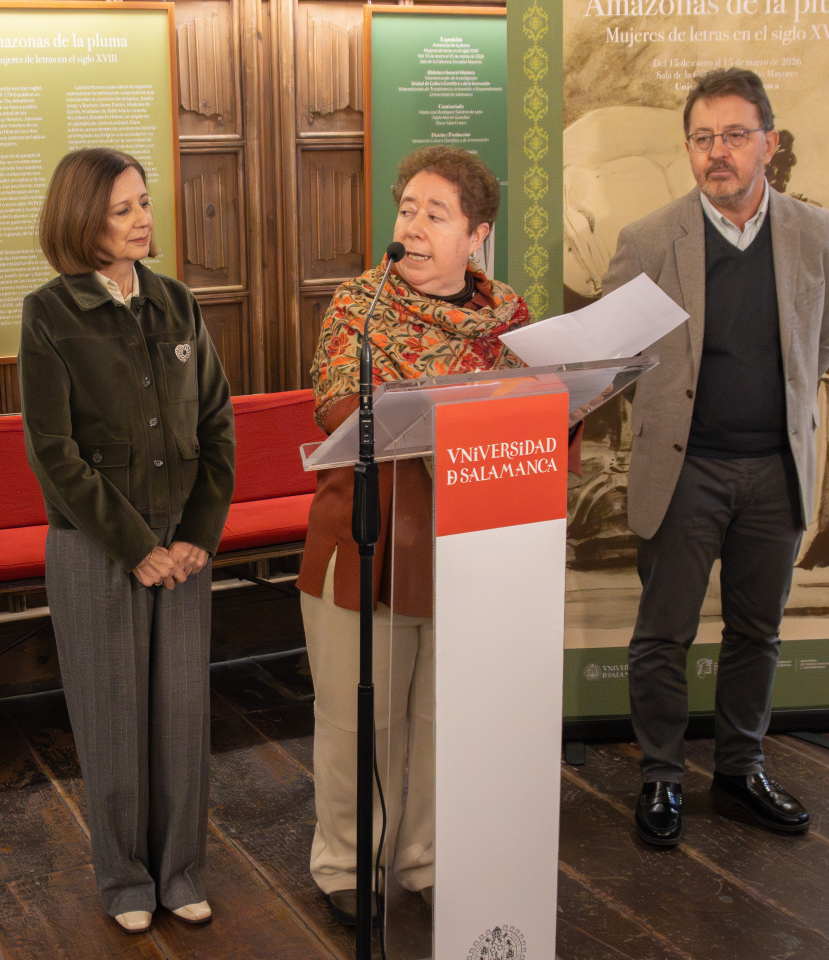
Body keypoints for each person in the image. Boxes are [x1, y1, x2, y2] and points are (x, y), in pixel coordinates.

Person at [600, 68, 829, 846]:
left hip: (775, 470)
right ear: (689, 148)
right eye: (703, 137)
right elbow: (614, 353)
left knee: (756, 632)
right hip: (685, 471)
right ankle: (661, 777)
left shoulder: (816, 233)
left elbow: (824, 340)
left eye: (735, 135)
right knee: (662, 634)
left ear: (768, 144)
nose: (719, 151)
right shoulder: (649, 240)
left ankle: (741, 770)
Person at [298, 146, 530, 925]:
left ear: (478, 234)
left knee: (442, 719)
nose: (416, 227)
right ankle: (346, 864)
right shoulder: (359, 305)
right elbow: (336, 406)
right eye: (408, 211)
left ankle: (426, 859)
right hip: (371, 539)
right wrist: (453, 407)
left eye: (438, 214)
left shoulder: (510, 319)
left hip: (472, 544)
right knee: (358, 721)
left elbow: (537, 417)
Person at [18, 148, 236, 933]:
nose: (143, 219)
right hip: (98, 547)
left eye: (144, 202)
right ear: (84, 219)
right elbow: (54, 453)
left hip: (184, 549)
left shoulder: (177, 302)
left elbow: (217, 425)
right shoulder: (49, 313)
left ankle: (180, 872)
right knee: (112, 720)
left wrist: (198, 536)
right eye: (123, 209)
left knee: (181, 720)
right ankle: (125, 882)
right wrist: (137, 546)